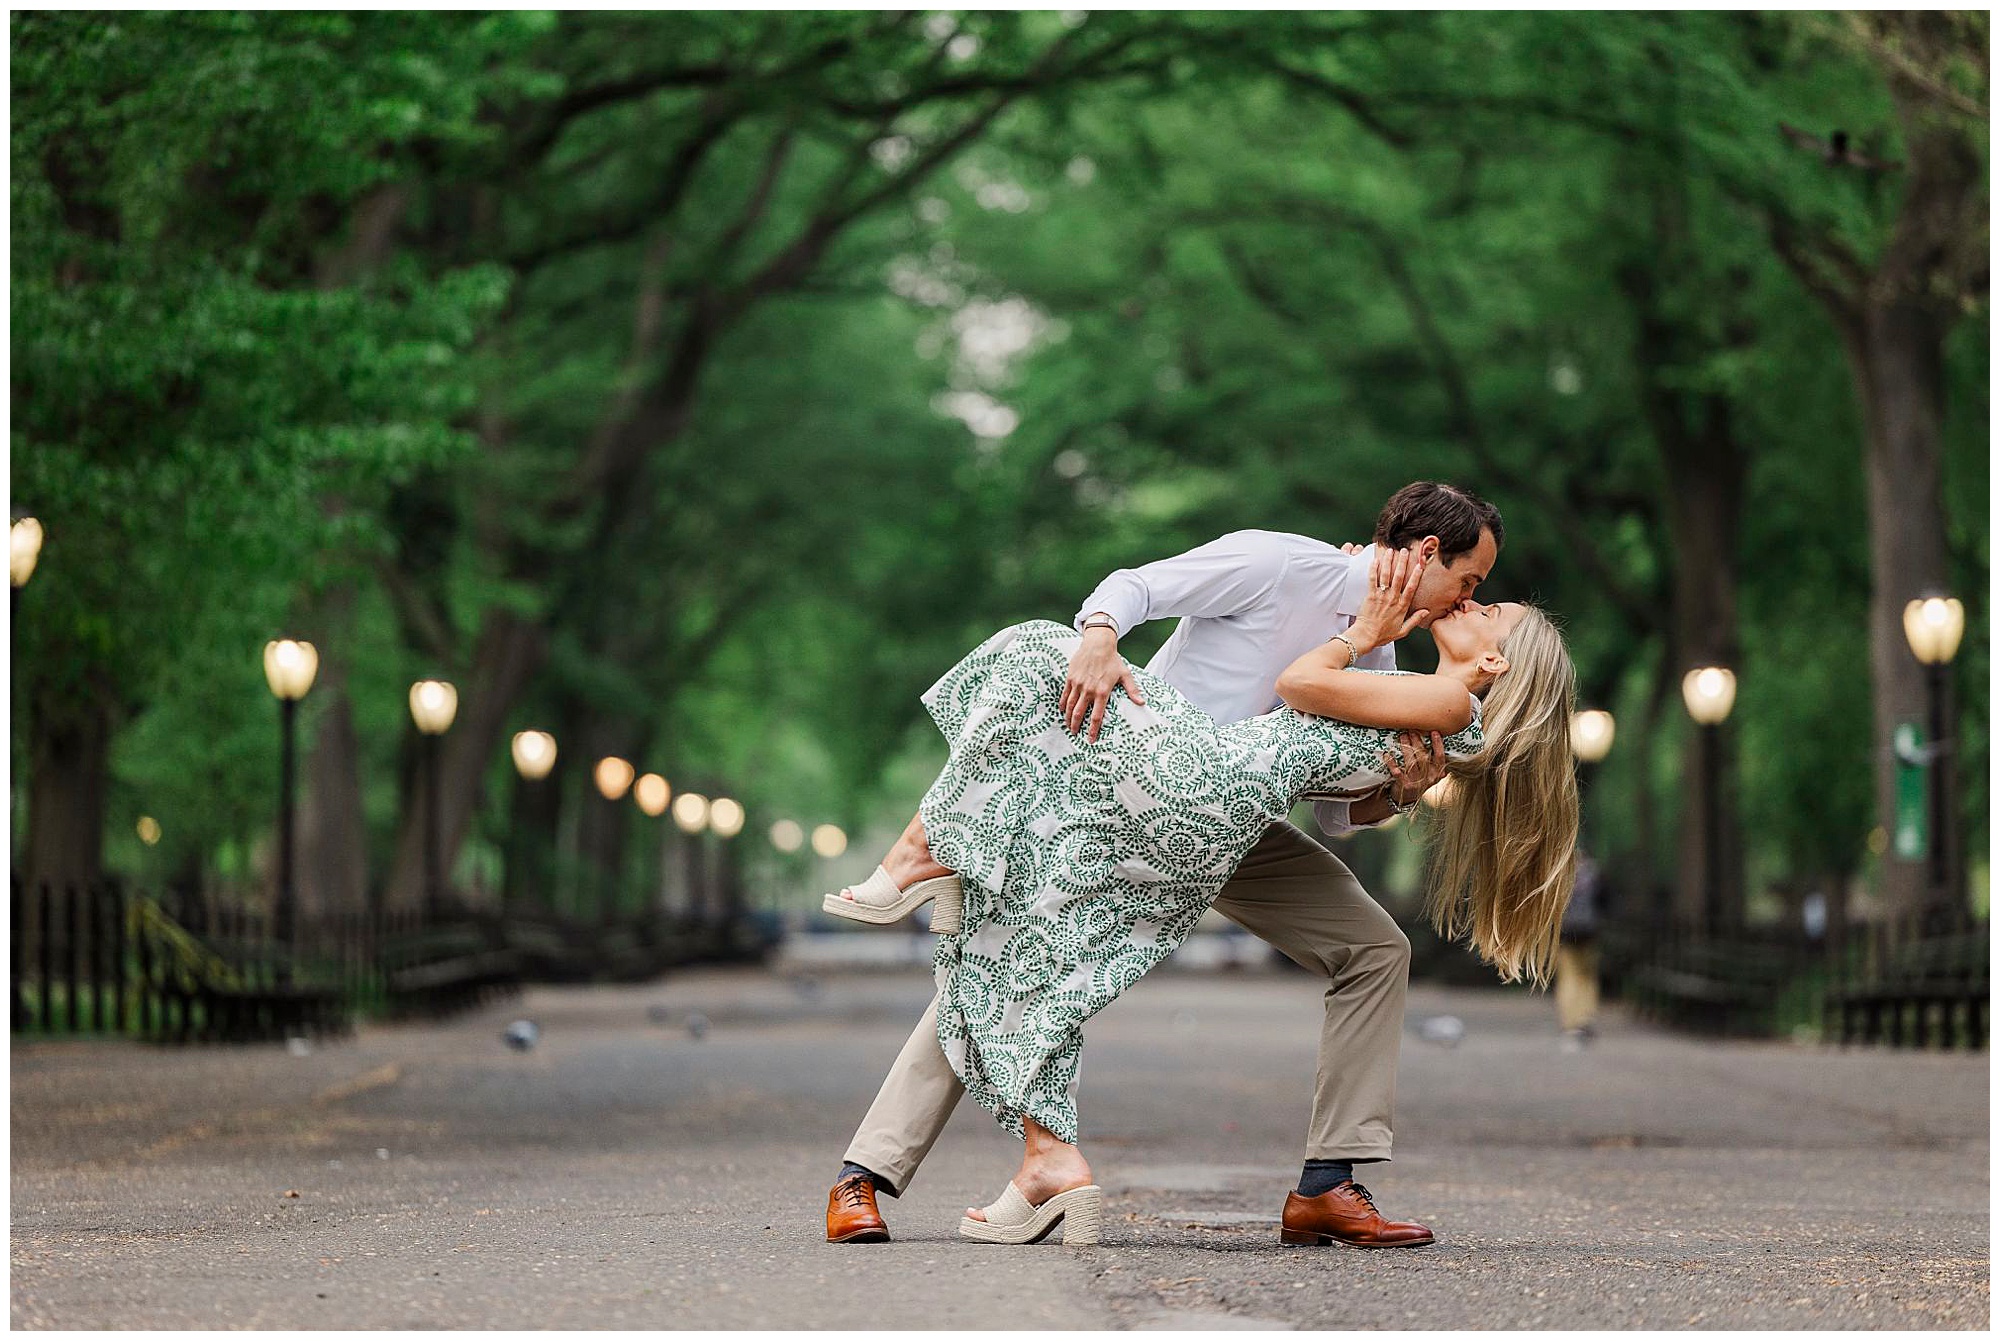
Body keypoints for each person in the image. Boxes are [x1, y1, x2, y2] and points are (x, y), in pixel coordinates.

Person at [825, 482, 1531, 1249]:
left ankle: (1330, 1183)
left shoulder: (1388, 650)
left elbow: (1334, 812)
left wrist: (1398, 793)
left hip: (1236, 830)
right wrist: (1098, 635)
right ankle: (864, 1174)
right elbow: (1140, 585)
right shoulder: (1277, 563)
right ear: (1427, 553)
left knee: (1374, 948)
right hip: (1131, 800)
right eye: (1470, 581)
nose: (1468, 598)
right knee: (1008, 961)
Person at [1555, 851, 1606, 1050]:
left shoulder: (1560, 875)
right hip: (1590, 935)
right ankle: (1585, 1017)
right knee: (1587, 977)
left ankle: (1569, 1021)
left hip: (1567, 935)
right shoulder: (1594, 875)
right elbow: (1605, 903)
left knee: (1568, 978)